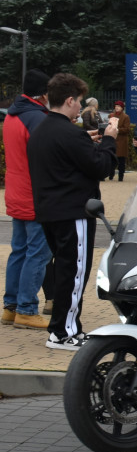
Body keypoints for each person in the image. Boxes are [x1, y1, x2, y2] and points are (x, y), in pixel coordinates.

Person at [26, 73, 118, 349]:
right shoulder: (70, 133)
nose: (80, 107)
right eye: (78, 102)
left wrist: (84, 141)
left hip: (49, 211)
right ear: (69, 101)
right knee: (74, 272)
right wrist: (109, 139)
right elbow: (102, 167)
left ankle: (65, 328)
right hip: (74, 211)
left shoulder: (42, 130)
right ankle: (64, 333)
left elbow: (68, 156)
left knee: (65, 269)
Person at [3, 69, 53, 330]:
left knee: (19, 251)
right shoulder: (37, 118)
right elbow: (50, 155)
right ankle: (27, 309)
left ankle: (10, 307)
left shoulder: (12, 116)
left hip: (16, 192)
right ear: (43, 93)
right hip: (36, 195)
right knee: (38, 253)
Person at [108, 100, 133, 181]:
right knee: (111, 159)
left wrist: (117, 129)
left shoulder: (126, 117)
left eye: (118, 106)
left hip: (122, 140)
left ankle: (120, 177)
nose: (116, 108)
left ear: (122, 108)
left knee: (121, 160)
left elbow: (127, 129)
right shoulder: (111, 115)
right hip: (113, 139)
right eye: (115, 106)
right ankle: (110, 175)